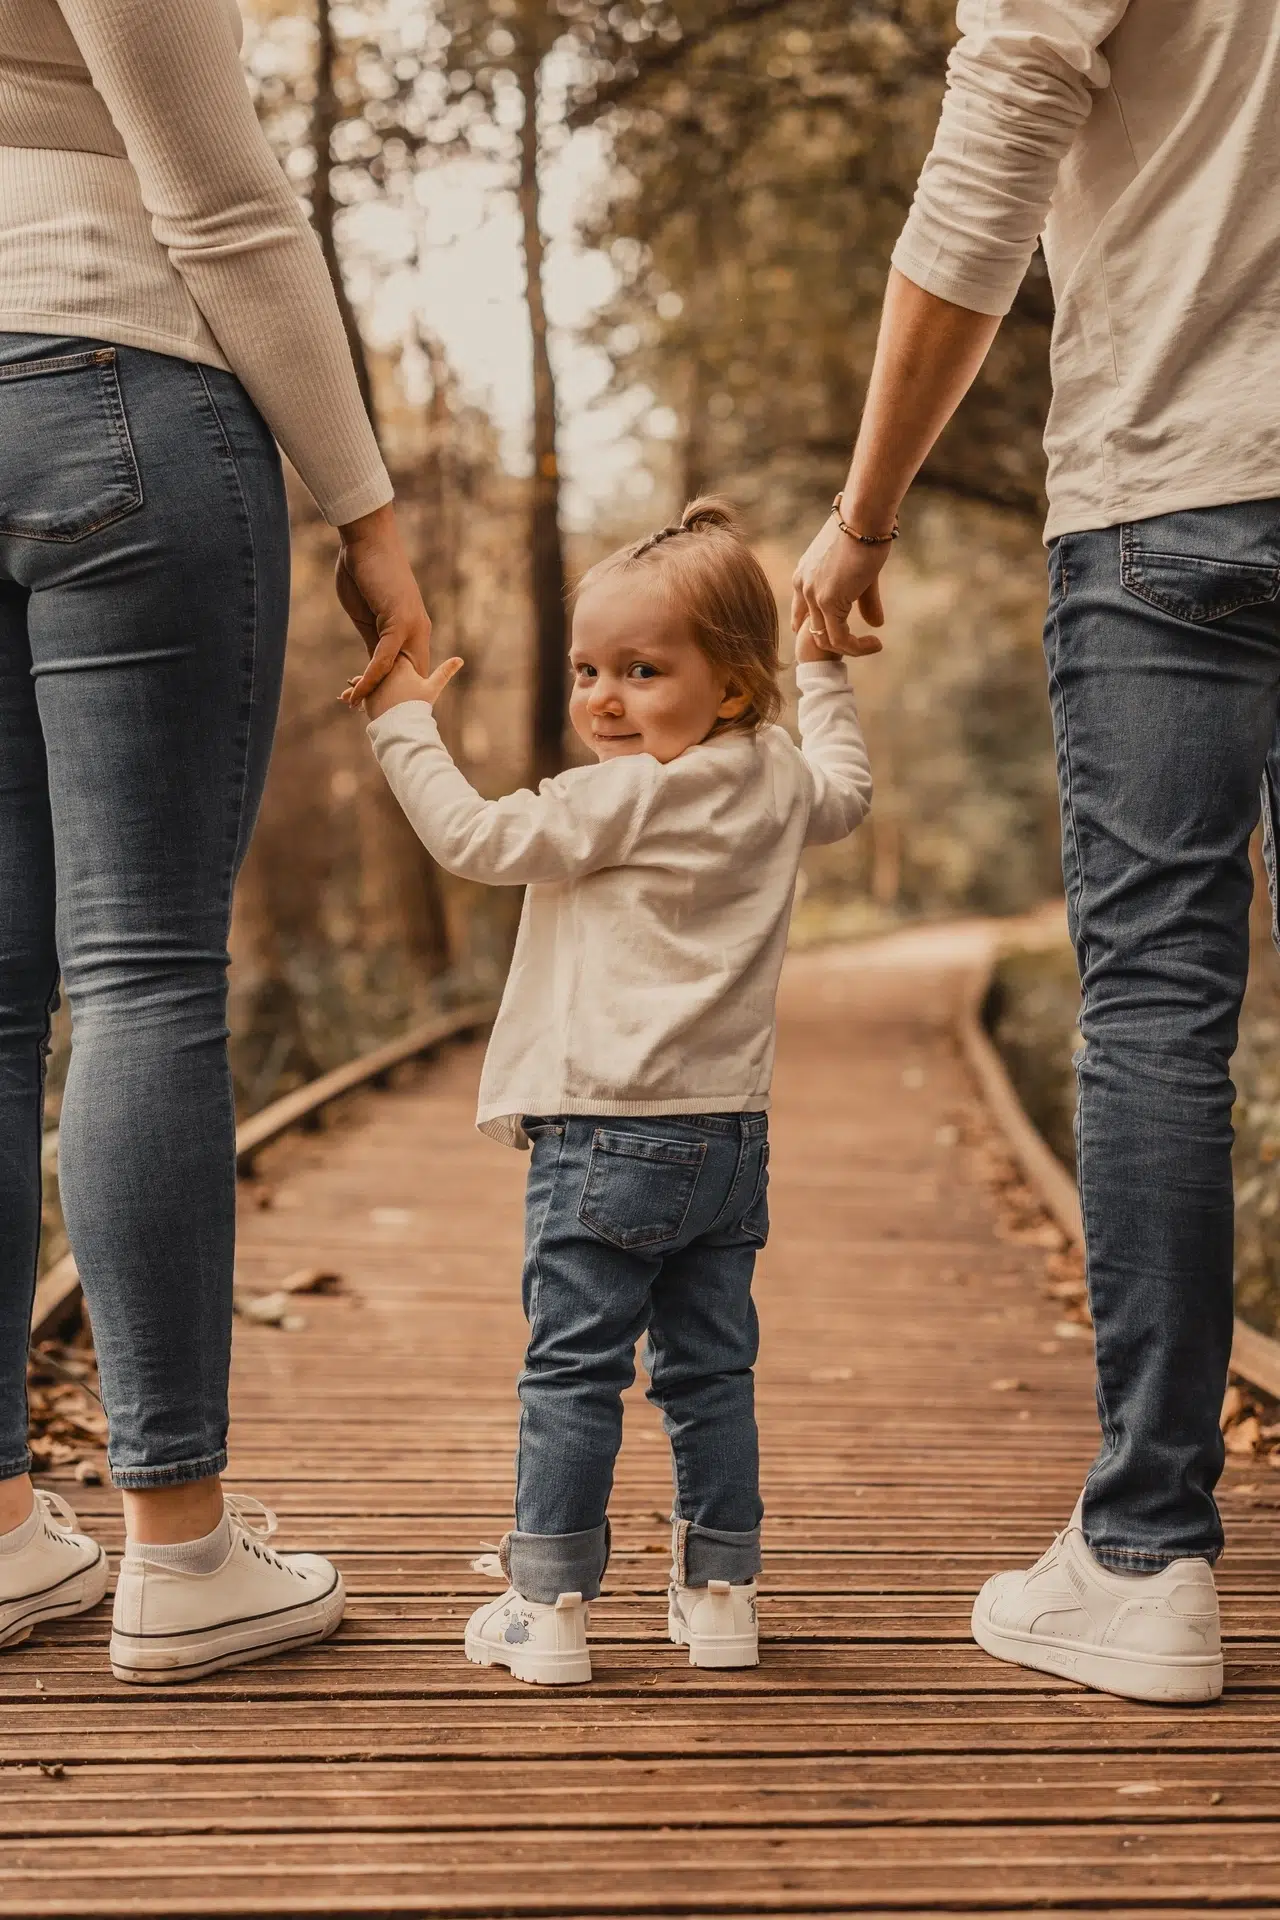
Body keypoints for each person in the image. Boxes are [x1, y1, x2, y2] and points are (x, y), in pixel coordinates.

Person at [791, 0, 1280, 1704]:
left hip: (1176, 480)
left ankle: (1147, 1564)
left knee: (1156, 1018)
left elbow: (987, 171)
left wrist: (863, 518)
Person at [0, 0, 433, 1682]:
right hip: (113, 374)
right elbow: (222, 199)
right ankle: (181, 1551)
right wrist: (370, 511)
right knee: (145, 968)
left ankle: (11, 1536)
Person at [352, 499, 871, 1683]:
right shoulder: (780, 781)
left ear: (728, 687)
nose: (603, 699)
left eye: (642, 671)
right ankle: (720, 1590)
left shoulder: (615, 798)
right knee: (708, 1372)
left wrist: (400, 724)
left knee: (572, 1369)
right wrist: (822, 667)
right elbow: (848, 789)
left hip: (604, 1137)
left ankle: (548, 1610)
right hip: (730, 1143)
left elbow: (473, 840)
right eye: (590, 670)